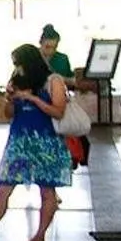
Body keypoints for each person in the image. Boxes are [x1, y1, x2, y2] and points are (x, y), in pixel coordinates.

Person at [0, 43, 71, 241]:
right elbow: (9, 113)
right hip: (19, 142)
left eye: (19, 63)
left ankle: (39, 236)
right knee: (2, 189)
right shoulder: (18, 82)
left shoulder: (53, 81)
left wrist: (32, 98)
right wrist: (11, 99)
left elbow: (58, 112)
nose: (17, 68)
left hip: (46, 143)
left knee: (47, 191)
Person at [40, 24, 89, 167]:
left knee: (63, 130)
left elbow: (71, 80)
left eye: (54, 47)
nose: (50, 51)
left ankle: (69, 157)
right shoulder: (33, 58)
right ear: (41, 44)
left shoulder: (62, 59)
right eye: (47, 47)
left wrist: (58, 79)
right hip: (41, 104)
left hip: (58, 100)